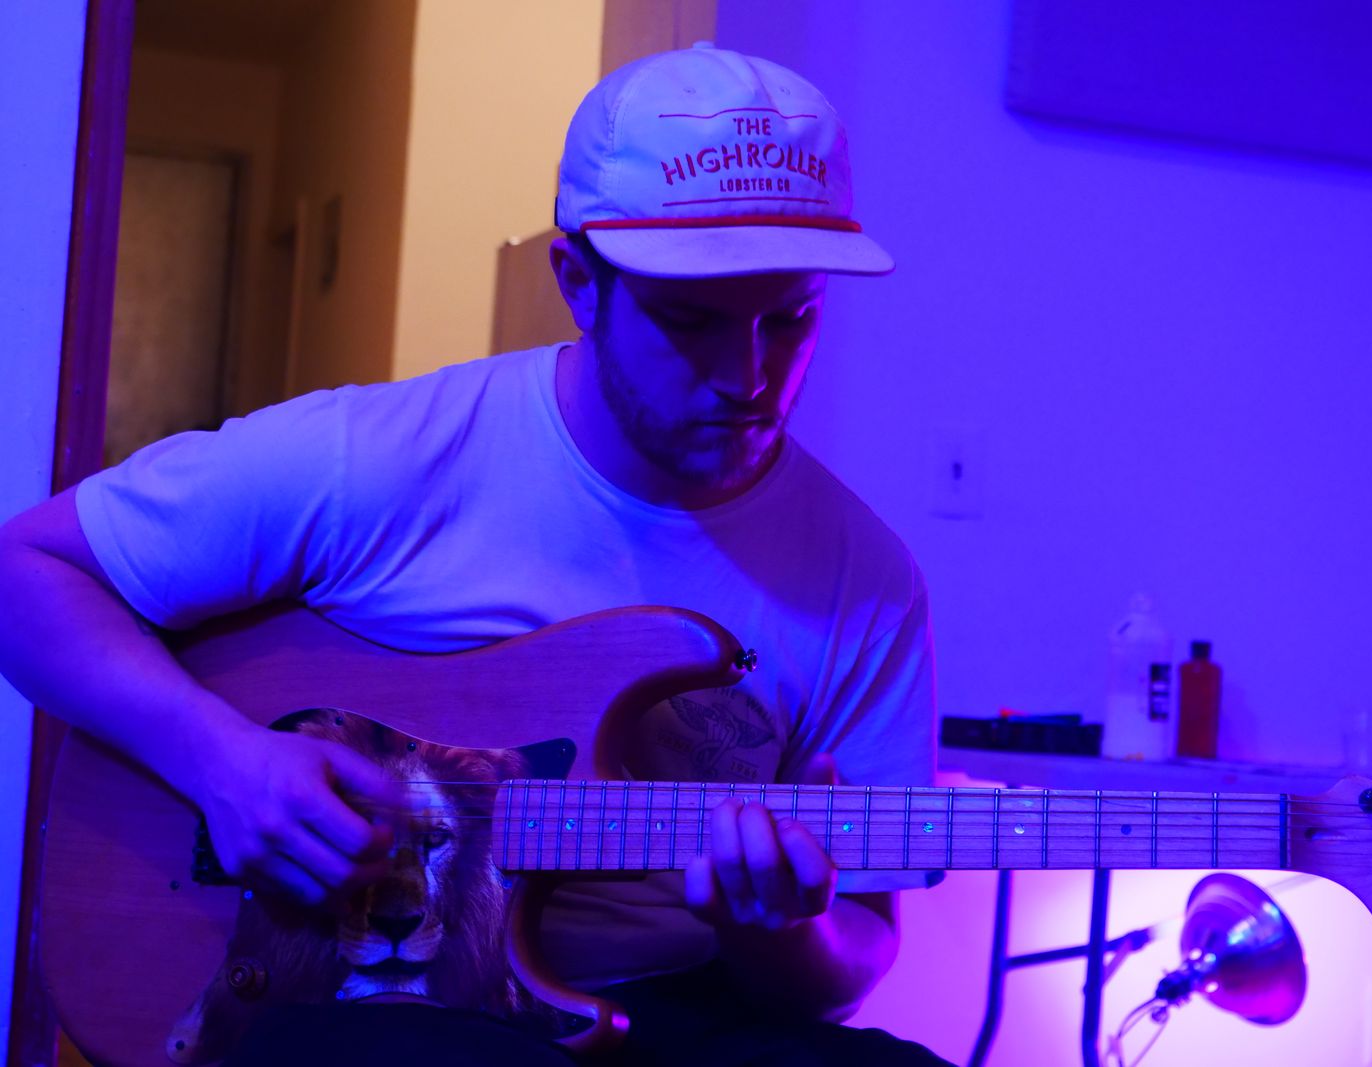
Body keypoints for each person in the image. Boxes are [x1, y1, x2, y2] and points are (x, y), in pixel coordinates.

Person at [0, 44, 948, 1065]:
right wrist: (221, 760)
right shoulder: (373, 457)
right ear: (579, 283)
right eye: (690, 322)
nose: (747, 375)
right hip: (382, 1009)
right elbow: (25, 575)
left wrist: (777, 926)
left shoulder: (867, 579)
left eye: (791, 318)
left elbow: (857, 951)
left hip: (679, 1014)